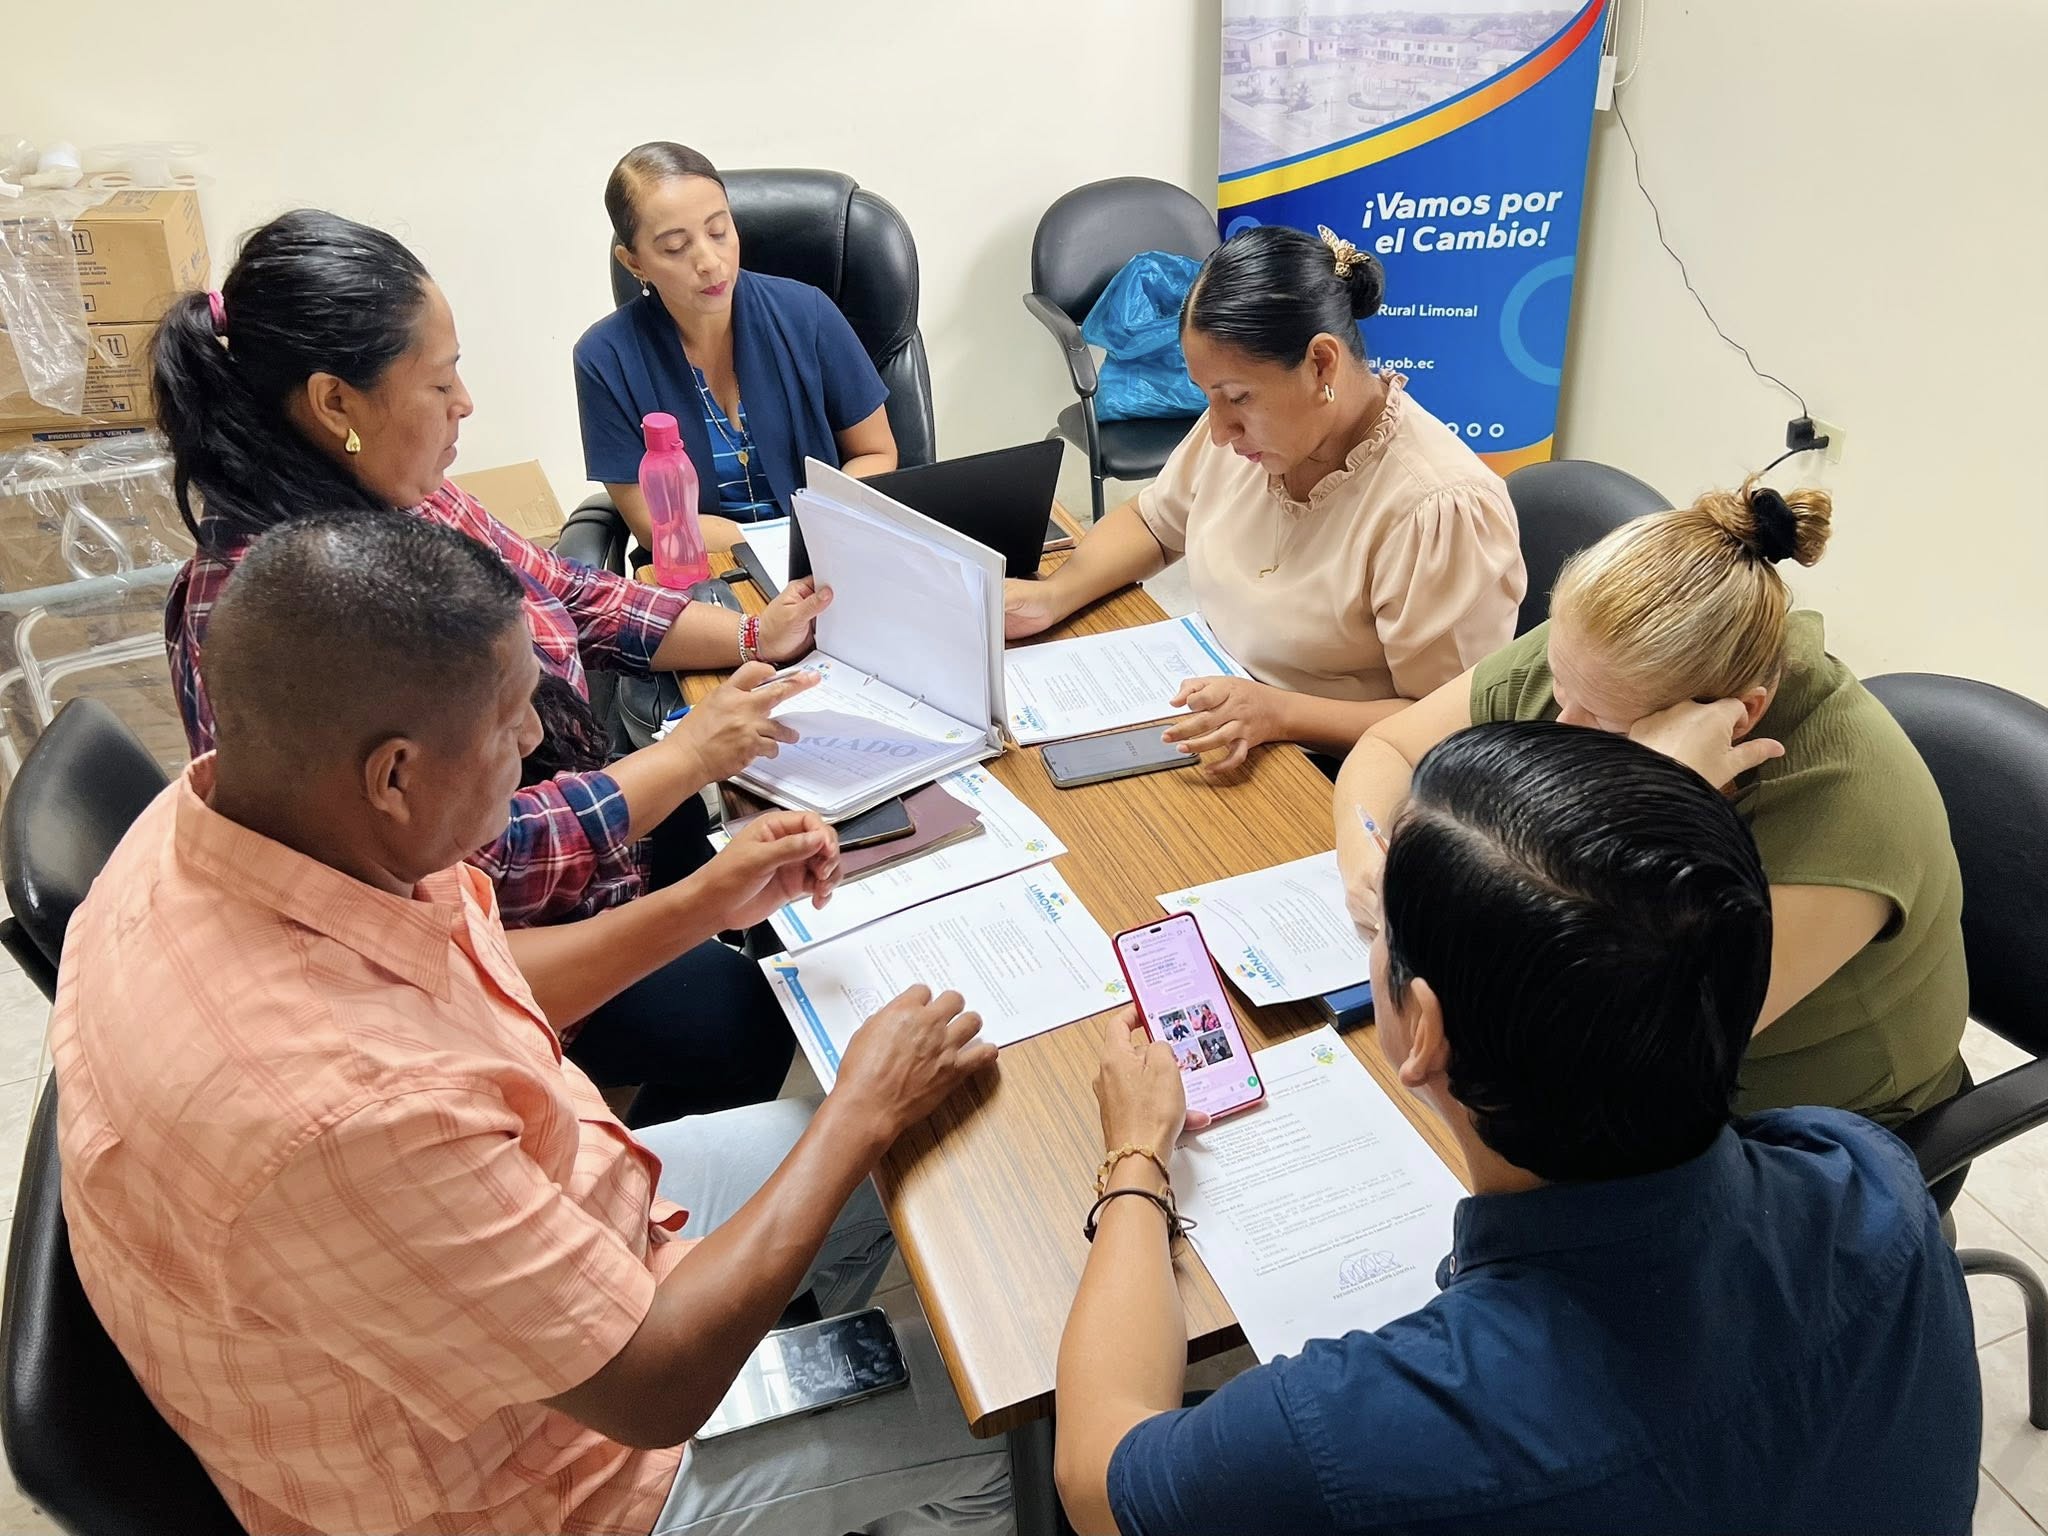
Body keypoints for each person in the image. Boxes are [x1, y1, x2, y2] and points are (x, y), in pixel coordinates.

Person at [53, 514, 1013, 1536]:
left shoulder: (232, 821)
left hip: (545, 1216)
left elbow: (471, 982)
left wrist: (702, 903)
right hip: (538, 1478)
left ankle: (793, 1383)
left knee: (877, 1153)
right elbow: (653, 1388)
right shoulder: (340, 1113)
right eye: (512, 720)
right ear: (394, 775)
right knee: (996, 1422)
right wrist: (859, 1109)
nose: (531, 743)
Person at [1056, 722, 1979, 1536]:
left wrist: (1136, 1153)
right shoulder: (1869, 1174)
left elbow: (1096, 1479)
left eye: (1380, 930)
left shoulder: (1349, 1433)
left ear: (1423, 1028)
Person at [152, 207, 817, 1122]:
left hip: (573, 837)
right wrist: (688, 757)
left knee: (764, 860)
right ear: (335, 403)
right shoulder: (288, 612)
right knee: (748, 1015)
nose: (465, 403)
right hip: (478, 947)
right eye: (438, 382)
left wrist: (751, 635)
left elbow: (566, 590)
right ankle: (622, 1154)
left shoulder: (403, 492)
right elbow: (475, 863)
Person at [1335, 481, 1966, 1126]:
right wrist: (1368, 859)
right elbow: (1390, 747)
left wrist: (1660, 790)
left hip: (1807, 1127)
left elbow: (1630, 1045)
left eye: (1603, 720)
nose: (1561, 726)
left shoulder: (1847, 806)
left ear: (1738, 715)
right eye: (1560, 682)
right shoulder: (1602, 660)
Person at [1004, 224, 1524, 773]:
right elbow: (1153, 524)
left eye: (1238, 397)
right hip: (1227, 717)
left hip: (1342, 770)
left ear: (1321, 364)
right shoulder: (1246, 436)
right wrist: (1055, 595)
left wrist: (1281, 713)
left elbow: (1448, 725)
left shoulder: (1437, 509)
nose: (1219, 430)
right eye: (1208, 396)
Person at [576, 142, 897, 552]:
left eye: (718, 231)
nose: (710, 262)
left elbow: (875, 453)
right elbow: (654, 526)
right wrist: (781, 547)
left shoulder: (808, 313)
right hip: (701, 568)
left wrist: (816, 537)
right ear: (634, 263)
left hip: (826, 551)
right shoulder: (604, 358)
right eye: (675, 247)